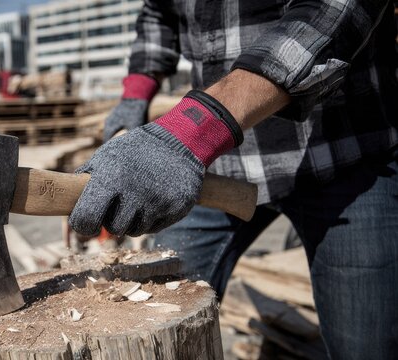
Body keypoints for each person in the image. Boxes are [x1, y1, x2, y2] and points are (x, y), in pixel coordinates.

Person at [67, 0, 398, 358]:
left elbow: (335, 8)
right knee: (149, 321)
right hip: (215, 170)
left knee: (367, 348)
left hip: (343, 154)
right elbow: (159, 13)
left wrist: (193, 130)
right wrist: (134, 96)